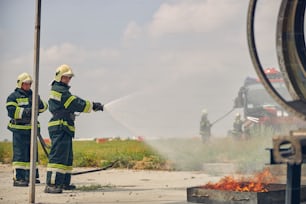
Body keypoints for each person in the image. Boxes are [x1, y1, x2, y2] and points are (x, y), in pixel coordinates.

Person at [44, 64, 104, 194]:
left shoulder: (62, 90)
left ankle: (63, 183)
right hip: (59, 125)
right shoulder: (58, 90)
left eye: (69, 77)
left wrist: (92, 105)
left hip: (64, 125)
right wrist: (92, 105)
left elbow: (74, 100)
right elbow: (74, 102)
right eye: (66, 77)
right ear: (59, 76)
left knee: (66, 157)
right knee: (58, 157)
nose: (68, 79)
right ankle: (52, 184)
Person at [6, 72, 48, 187]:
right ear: (20, 84)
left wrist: (39, 103)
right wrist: (27, 112)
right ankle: (19, 178)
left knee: (32, 155)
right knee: (20, 155)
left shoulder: (33, 95)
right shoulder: (13, 97)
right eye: (26, 84)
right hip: (19, 130)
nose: (28, 86)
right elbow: (11, 111)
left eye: (29, 84)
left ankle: (32, 177)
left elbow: (44, 107)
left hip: (32, 130)